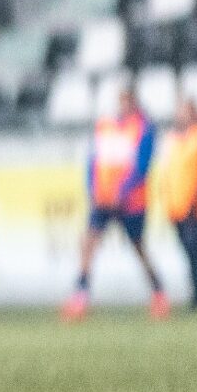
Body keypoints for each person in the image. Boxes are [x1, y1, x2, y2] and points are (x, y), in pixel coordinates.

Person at [61, 87, 167, 321]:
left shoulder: (143, 128)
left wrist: (123, 190)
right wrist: (92, 188)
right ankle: (80, 295)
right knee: (88, 243)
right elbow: (93, 160)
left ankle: (159, 292)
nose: (122, 106)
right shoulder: (105, 125)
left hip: (131, 202)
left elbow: (142, 166)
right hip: (104, 198)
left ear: (134, 103)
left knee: (139, 248)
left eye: (126, 102)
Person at [158, 98, 197, 310]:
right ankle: (194, 292)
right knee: (186, 249)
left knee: (194, 248)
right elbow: (167, 169)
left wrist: (196, 200)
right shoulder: (171, 138)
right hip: (176, 205)